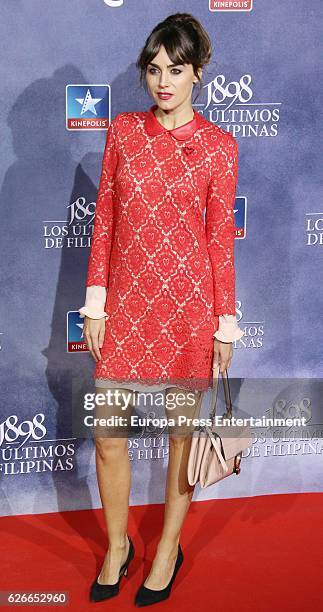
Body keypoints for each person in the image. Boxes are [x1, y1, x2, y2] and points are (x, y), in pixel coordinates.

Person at [79, 12, 244, 607]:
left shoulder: (220, 146)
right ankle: (118, 547)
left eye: (176, 70)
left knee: (180, 437)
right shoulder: (123, 131)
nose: (163, 82)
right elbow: (104, 221)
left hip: (188, 313)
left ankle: (168, 549)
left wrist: (225, 322)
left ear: (199, 72)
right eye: (154, 70)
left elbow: (219, 240)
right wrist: (94, 304)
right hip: (124, 307)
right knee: (106, 435)